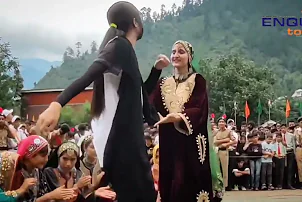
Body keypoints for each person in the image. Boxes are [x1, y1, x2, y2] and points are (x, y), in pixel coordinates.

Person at [36, 2, 170, 201]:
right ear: (135, 22)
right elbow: (89, 74)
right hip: (122, 142)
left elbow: (140, 95)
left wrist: (156, 70)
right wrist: (57, 104)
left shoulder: (123, 51)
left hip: (124, 142)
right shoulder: (120, 46)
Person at [151, 40, 223, 202]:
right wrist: (156, 70)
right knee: (171, 183)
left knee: (190, 182)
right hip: (169, 141)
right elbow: (147, 100)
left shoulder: (197, 80)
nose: (176, 55)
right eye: (173, 51)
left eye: (181, 52)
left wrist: (177, 117)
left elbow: (199, 108)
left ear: (190, 57)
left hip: (191, 142)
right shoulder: (163, 83)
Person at [0, 135, 77, 201]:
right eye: (43, 156)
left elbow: (41, 195)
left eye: (47, 156)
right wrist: (49, 196)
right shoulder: (16, 172)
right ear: (30, 155)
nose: (47, 159)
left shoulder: (37, 171)